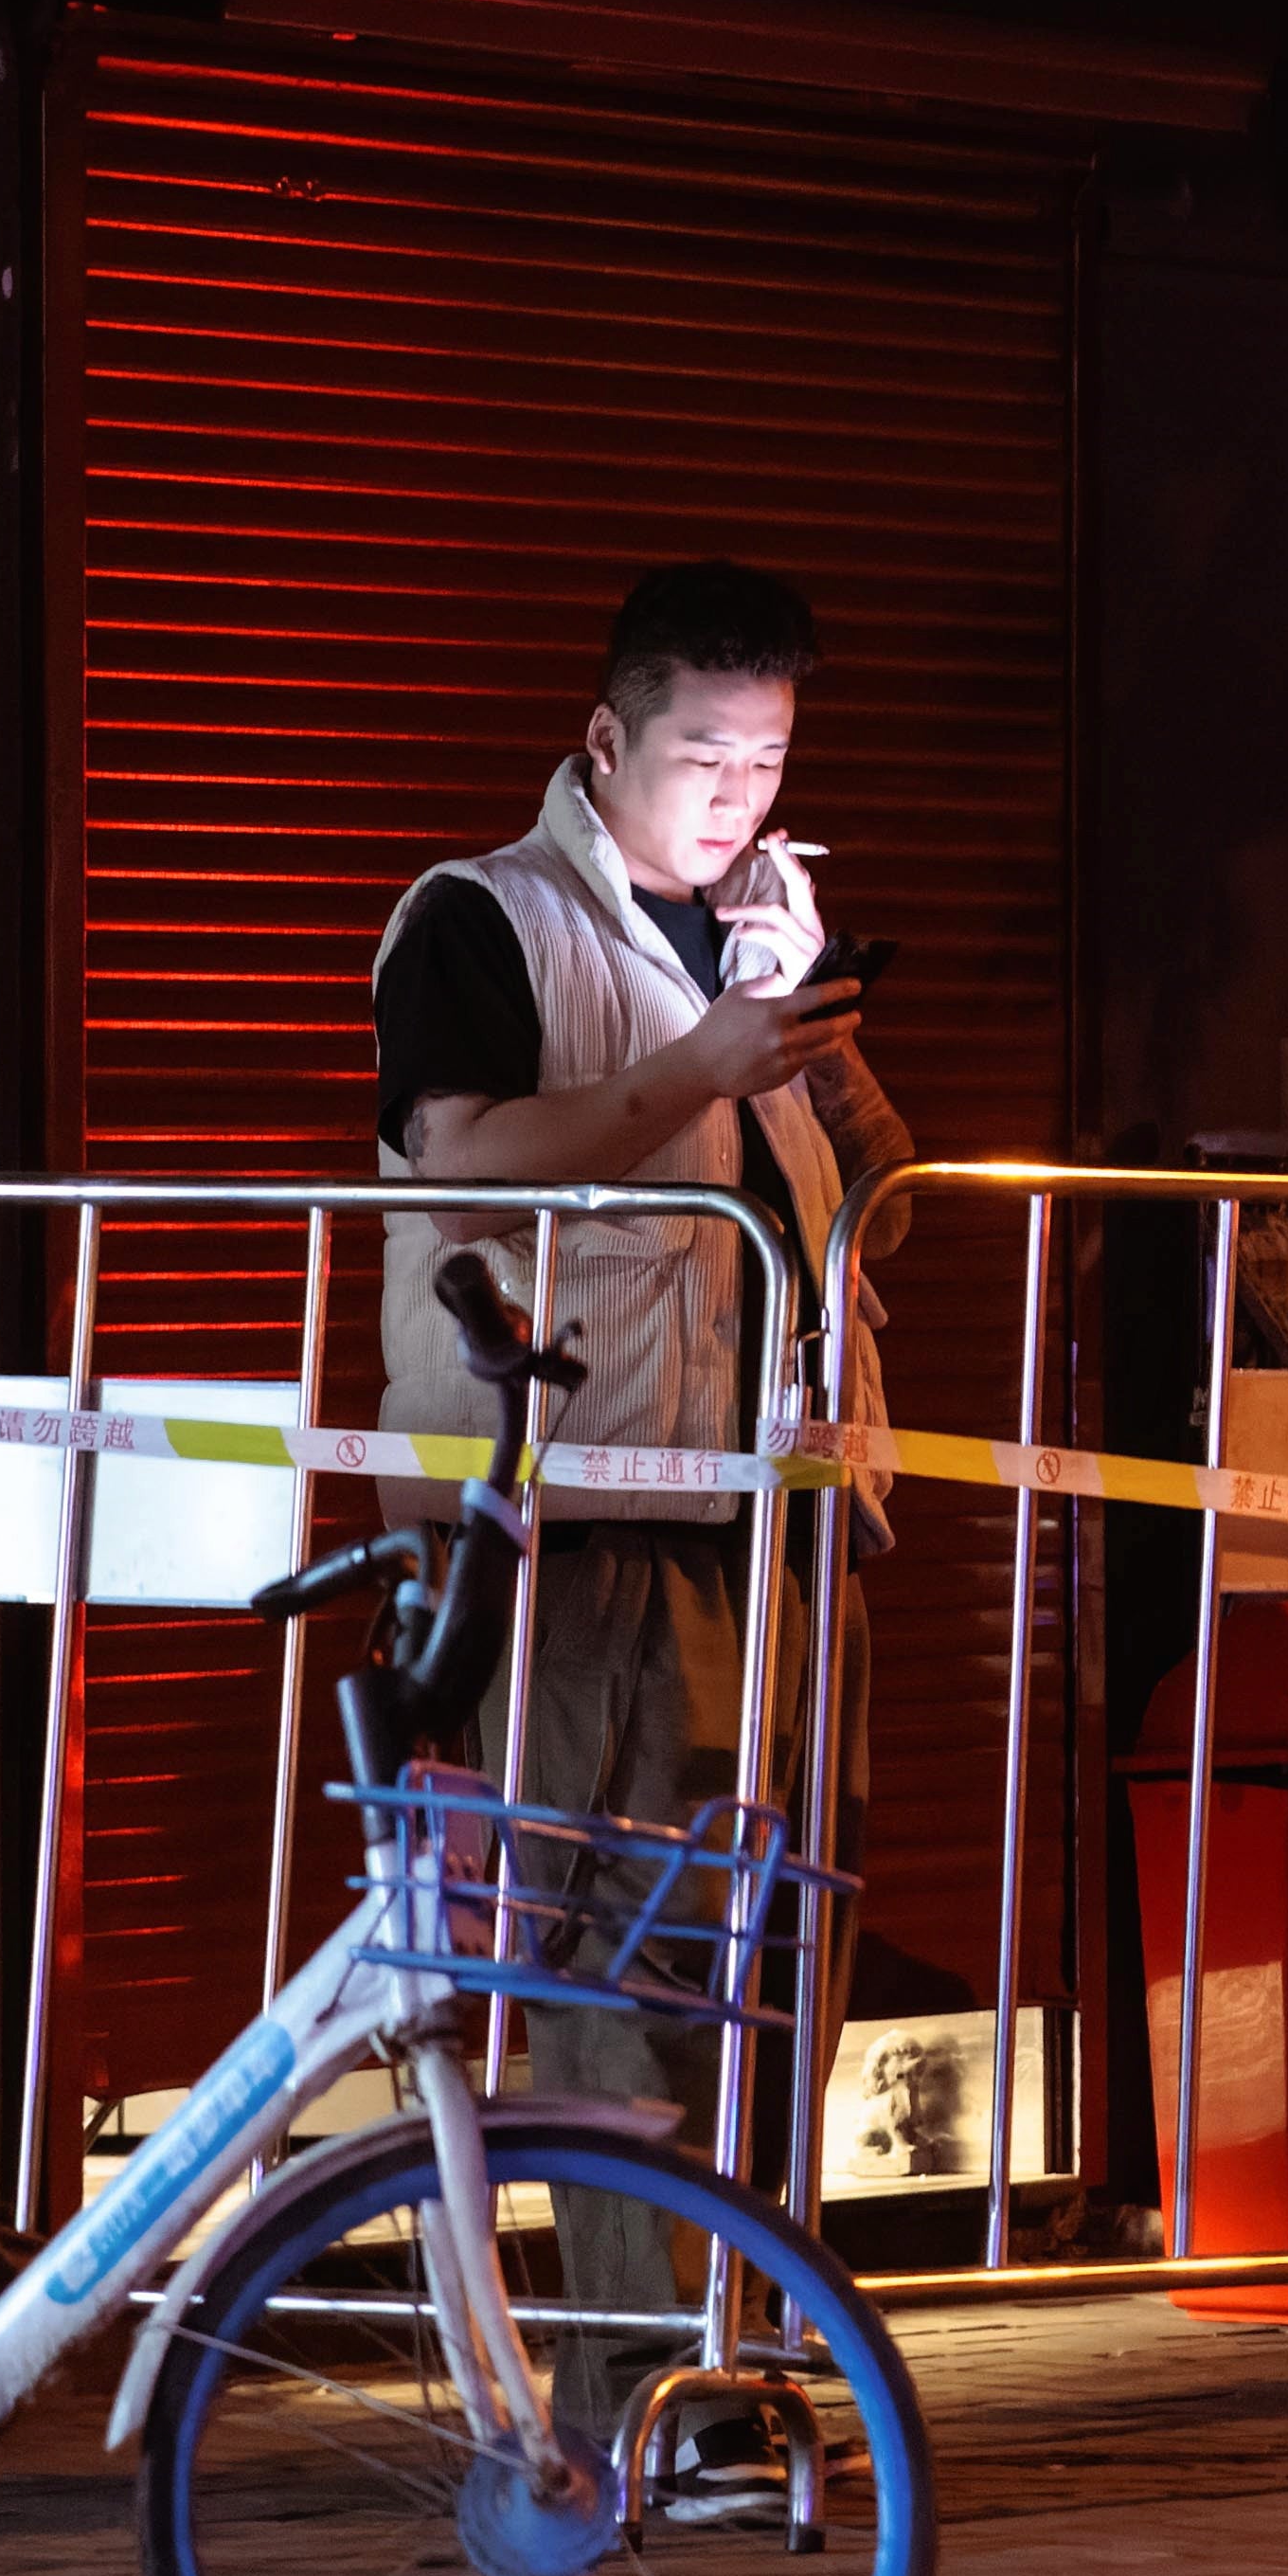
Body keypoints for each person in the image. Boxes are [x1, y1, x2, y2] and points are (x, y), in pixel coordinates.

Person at [371, 559, 910, 2455]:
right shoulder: (483, 918)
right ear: (607, 737)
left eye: (766, 754)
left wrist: (824, 1068)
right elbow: (452, 1162)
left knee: (772, 1952)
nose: (736, 792)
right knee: (614, 1958)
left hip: (775, 1504)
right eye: (702, 750)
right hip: (578, 1506)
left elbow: (863, 1190)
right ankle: (634, 2393)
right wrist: (692, 1068)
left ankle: (741, 2356)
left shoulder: (768, 917)